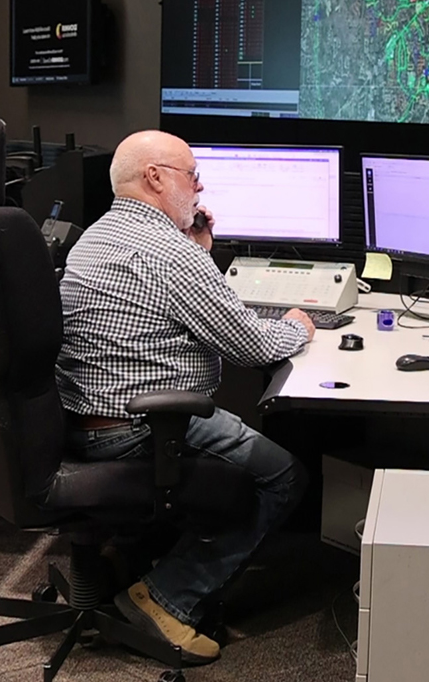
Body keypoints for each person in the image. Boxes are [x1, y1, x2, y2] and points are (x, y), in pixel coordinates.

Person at [53, 130, 315, 665]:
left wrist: (198, 254)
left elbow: (164, 307)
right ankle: (166, 598)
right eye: (192, 175)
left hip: (86, 421)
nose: (199, 187)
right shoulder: (168, 252)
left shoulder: (96, 235)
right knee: (284, 475)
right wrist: (299, 327)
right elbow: (252, 345)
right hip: (142, 427)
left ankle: (145, 569)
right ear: (155, 178)